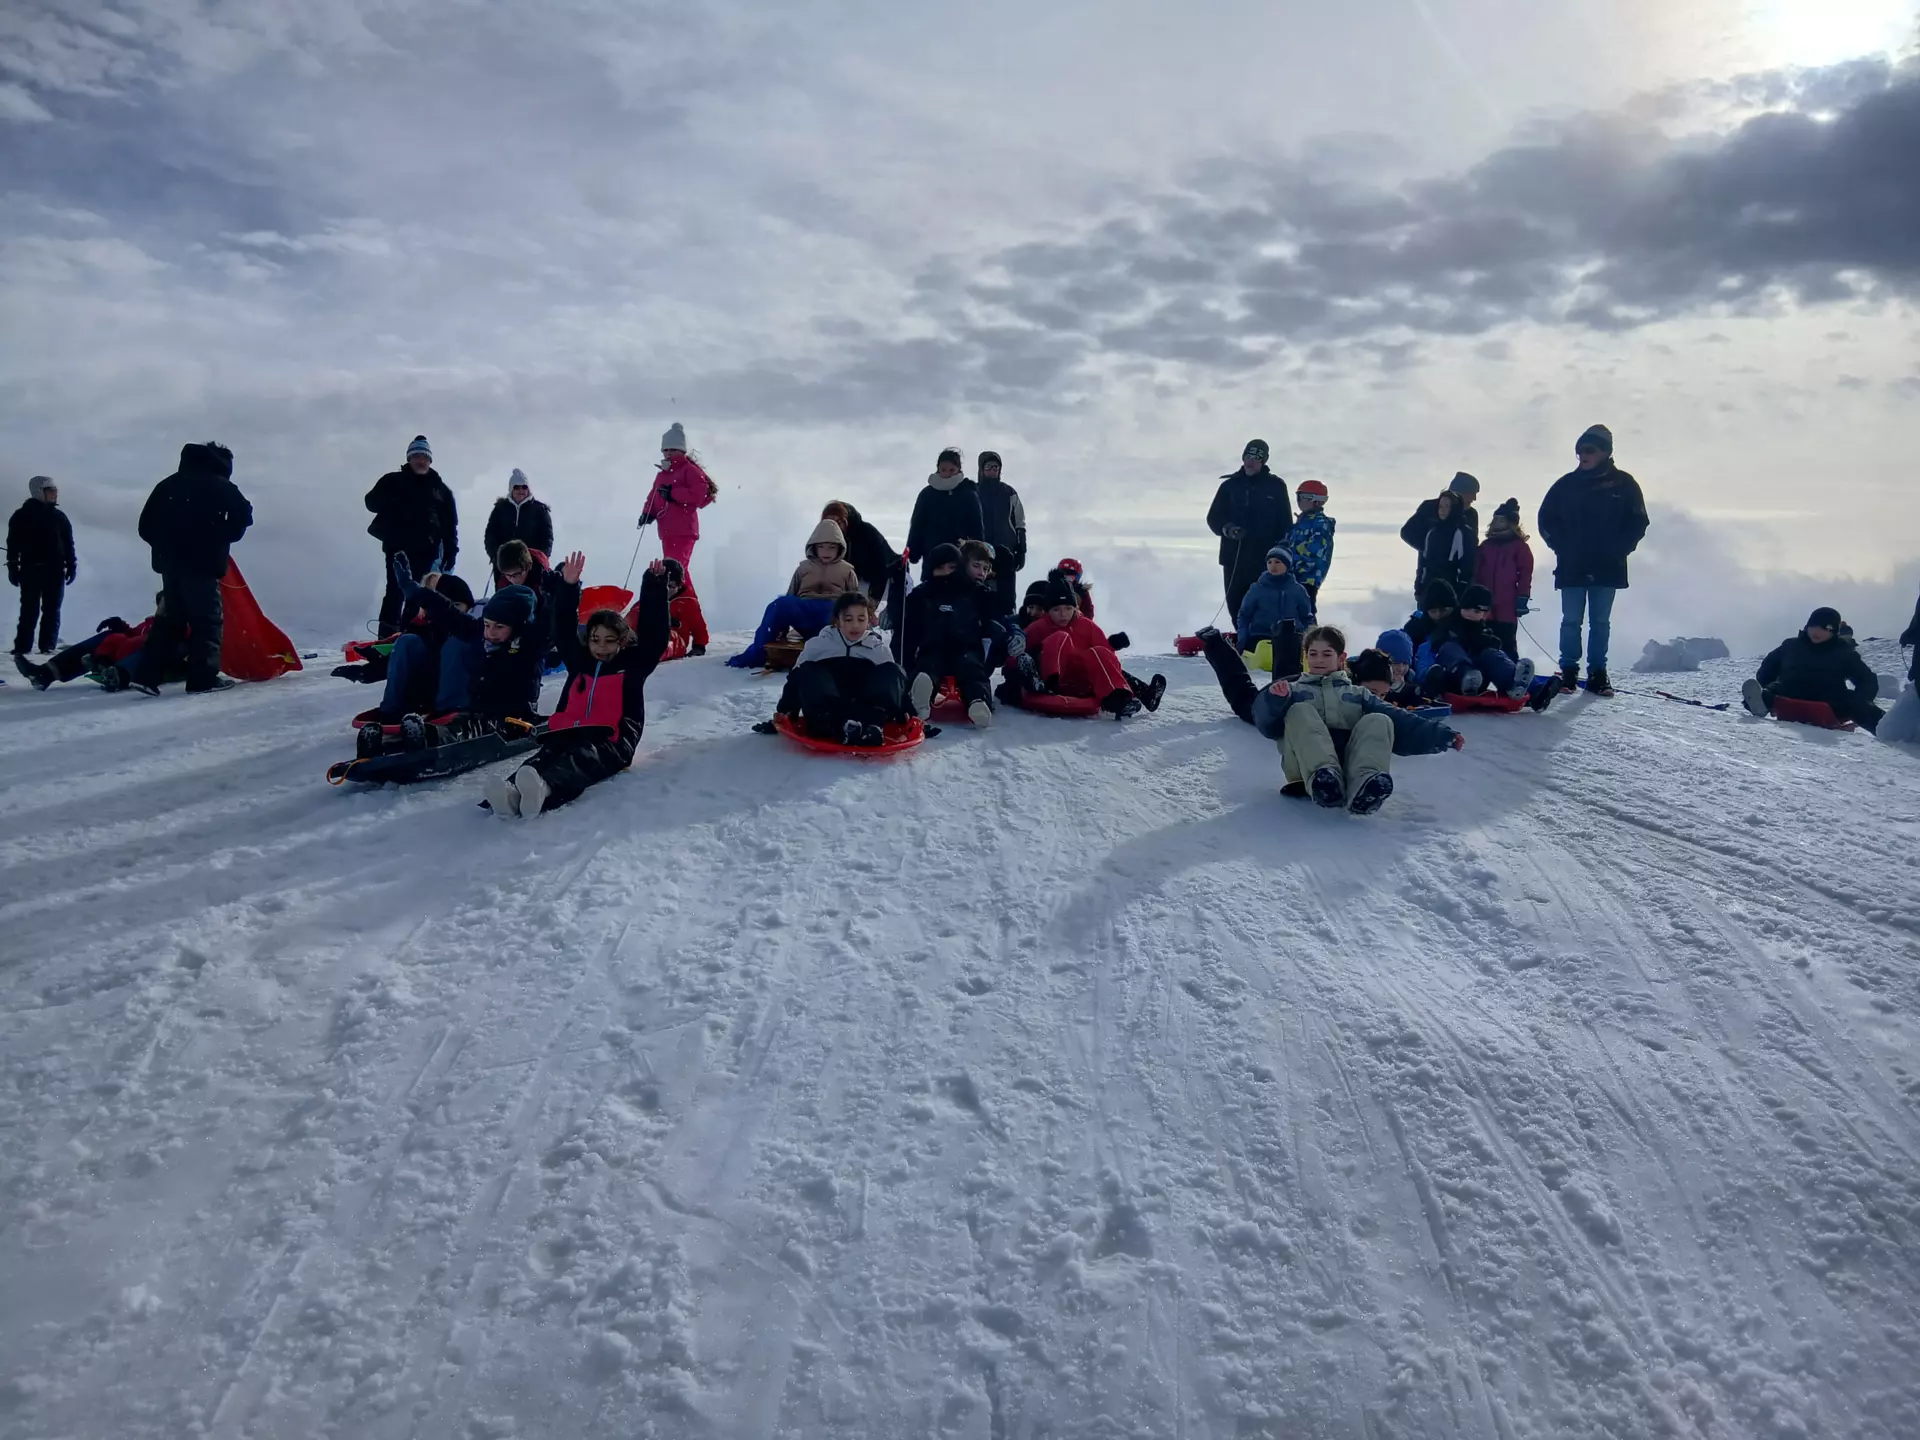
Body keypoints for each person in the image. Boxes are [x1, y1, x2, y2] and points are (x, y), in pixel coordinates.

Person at [488, 554, 671, 816]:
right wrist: (569, 586)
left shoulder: (633, 666)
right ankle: (509, 792)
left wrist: (654, 586)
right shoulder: (579, 662)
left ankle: (545, 788)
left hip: (612, 740)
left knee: (580, 758)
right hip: (571, 730)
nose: (601, 647)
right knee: (547, 755)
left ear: (622, 642)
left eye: (609, 640)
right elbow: (563, 627)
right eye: (596, 639)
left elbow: (655, 636)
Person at [1251, 625, 1464, 814]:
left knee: (1380, 719)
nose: (1318, 660)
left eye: (1326, 654)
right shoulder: (1292, 690)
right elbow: (1265, 723)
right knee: (1299, 711)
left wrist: (1442, 735)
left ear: (1341, 658)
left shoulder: (1357, 693)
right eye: (1313, 654)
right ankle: (1324, 779)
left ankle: (1365, 785)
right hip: (1304, 767)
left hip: (1349, 767)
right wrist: (1274, 701)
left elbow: (1400, 719)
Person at [130, 442, 253, 695]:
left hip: (169, 565)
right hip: (202, 564)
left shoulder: (167, 485)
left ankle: (145, 676)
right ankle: (202, 679)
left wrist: (166, 546)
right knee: (207, 620)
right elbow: (244, 514)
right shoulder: (220, 485)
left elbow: (145, 526)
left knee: (169, 621)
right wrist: (223, 535)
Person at [1538, 423, 1648, 698]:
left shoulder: (1625, 484)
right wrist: (1561, 547)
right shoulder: (1565, 485)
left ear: (1605, 452)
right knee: (1571, 620)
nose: (1583, 455)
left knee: (1600, 622)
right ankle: (1569, 671)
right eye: (1579, 451)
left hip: (1607, 566)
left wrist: (1621, 548)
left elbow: (1638, 521)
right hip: (1572, 565)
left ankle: (1598, 673)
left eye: (1589, 450)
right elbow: (1545, 520)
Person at [380, 554, 543, 729]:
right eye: (487, 625)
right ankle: (399, 718)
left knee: (459, 645)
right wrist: (413, 590)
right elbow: (448, 612)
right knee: (448, 639)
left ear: (518, 626)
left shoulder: (530, 642)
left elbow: (559, 629)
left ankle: (446, 719)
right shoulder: (480, 631)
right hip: (481, 708)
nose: (490, 633)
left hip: (511, 714)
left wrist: (566, 589)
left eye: (499, 627)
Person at [771, 590, 913, 747]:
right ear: (837, 620)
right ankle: (841, 727)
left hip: (866, 710)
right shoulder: (819, 645)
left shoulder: (877, 648)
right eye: (848, 619)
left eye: (861, 619)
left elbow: (895, 685)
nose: (855, 625)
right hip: (826, 715)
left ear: (869, 620)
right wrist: (785, 712)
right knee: (808, 669)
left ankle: (872, 729)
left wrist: (908, 715)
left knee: (892, 670)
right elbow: (796, 679)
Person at [727, 518, 862, 667]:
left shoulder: (847, 571)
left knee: (840, 608)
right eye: (821, 547)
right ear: (814, 548)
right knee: (781, 603)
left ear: (839, 548)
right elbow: (791, 595)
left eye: (831, 547)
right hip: (806, 611)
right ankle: (758, 654)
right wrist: (782, 627)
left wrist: (861, 627)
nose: (826, 552)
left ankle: (836, 651)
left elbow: (856, 601)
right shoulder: (803, 569)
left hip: (831, 617)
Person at [366, 436, 459, 633]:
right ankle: (386, 635)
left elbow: (450, 525)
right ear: (409, 459)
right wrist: (388, 495)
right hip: (397, 547)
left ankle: (410, 633)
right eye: (416, 456)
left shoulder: (441, 490)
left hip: (427, 550)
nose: (421, 460)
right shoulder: (392, 480)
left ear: (430, 461)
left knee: (418, 593)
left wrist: (451, 551)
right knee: (395, 590)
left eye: (425, 457)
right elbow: (370, 503)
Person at [902, 542, 1001, 727]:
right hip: (933, 647)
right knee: (927, 667)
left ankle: (978, 702)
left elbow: (992, 619)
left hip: (966, 647)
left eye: (952, 567)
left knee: (973, 670)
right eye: (941, 568)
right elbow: (909, 628)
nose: (947, 572)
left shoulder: (975, 592)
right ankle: (920, 700)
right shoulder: (923, 594)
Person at [1743, 607, 1883, 732]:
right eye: (1815, 626)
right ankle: (1760, 705)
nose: (1818, 632)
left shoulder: (1843, 652)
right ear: (1808, 626)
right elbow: (1768, 668)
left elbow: (1866, 679)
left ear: (1833, 633)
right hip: (1791, 692)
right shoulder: (1791, 646)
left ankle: (1888, 728)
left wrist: (1863, 699)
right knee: (1768, 693)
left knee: (1854, 702)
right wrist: (1767, 685)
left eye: (1826, 629)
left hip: (1829, 700)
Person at [371, 572, 484, 719]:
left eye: (457, 605)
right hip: (433, 684)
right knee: (407, 641)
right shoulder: (430, 623)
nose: (454, 610)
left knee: (456, 642)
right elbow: (401, 657)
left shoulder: (481, 620)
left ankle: (450, 709)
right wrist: (368, 670)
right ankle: (393, 708)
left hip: (468, 686)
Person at [1024, 578, 1139, 718]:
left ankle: (1118, 699)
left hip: (1083, 684)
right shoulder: (1038, 628)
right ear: (1048, 611)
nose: (1063, 614)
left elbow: (1106, 655)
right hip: (1052, 683)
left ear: (1075, 608)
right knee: (1060, 638)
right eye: (1056, 609)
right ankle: (1051, 686)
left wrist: (1113, 644)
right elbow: (1016, 657)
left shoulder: (1087, 626)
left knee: (1098, 652)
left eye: (1068, 608)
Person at [1207, 439, 1293, 617]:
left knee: (1265, 607)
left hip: (1266, 561)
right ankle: (1242, 641)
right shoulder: (1229, 486)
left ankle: (1261, 641)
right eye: (1248, 456)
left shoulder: (1276, 486)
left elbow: (1285, 524)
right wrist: (1228, 529)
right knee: (1236, 607)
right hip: (1234, 560)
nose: (1251, 461)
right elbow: (1213, 518)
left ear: (1264, 461)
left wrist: (1281, 554)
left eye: (1256, 457)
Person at [1426, 585, 1536, 698]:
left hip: (1479, 681)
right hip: (1453, 678)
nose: (1471, 614)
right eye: (1468, 609)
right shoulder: (1448, 625)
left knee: (1491, 654)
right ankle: (1467, 676)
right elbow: (1436, 643)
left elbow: (1495, 644)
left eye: (1477, 612)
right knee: (1450, 648)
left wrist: (1486, 644)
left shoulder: (1483, 631)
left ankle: (1512, 683)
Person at [9, 475, 75, 656]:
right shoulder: (21, 516)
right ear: (39, 492)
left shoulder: (59, 517)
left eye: (55, 491)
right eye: (50, 491)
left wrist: (71, 564)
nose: (54, 495)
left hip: (55, 571)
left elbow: (68, 543)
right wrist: (13, 567)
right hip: (31, 570)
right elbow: (13, 544)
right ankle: (22, 648)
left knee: (52, 611)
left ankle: (47, 647)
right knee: (29, 611)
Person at [639, 422, 717, 574]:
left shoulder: (690, 471)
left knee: (675, 571)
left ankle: (682, 597)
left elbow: (699, 495)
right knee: (675, 571)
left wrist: (673, 494)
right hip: (667, 530)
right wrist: (648, 513)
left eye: (672, 449)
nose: (668, 453)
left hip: (683, 529)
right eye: (665, 450)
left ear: (681, 450)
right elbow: (653, 495)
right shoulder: (663, 474)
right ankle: (681, 597)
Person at [1234, 546, 1316, 674]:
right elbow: (1244, 615)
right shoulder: (1257, 589)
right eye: (1269, 562)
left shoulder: (1297, 590)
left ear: (1287, 565)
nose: (1273, 566)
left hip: (1292, 638)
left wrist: (1312, 641)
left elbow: (1307, 618)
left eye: (1278, 562)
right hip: (1262, 637)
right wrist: (1243, 639)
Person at [906, 448, 985, 580]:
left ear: (958, 470)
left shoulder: (969, 494)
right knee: (930, 596)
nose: (947, 474)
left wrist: (979, 556)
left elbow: (977, 528)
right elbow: (917, 525)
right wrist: (913, 551)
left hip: (960, 558)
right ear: (938, 469)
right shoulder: (927, 494)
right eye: (943, 470)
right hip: (932, 557)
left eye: (951, 470)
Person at [1400, 473, 1480, 602]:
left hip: (1456, 578)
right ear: (1458, 492)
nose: (1474, 498)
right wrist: (1431, 548)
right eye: (1471, 493)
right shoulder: (1429, 508)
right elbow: (1407, 532)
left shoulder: (1471, 514)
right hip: (1428, 575)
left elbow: (1471, 546)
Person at [1473, 497, 1535, 659]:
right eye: (1496, 519)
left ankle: (1512, 672)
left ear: (1511, 523)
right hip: (1485, 604)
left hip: (1507, 603)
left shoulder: (1519, 547)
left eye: (1502, 519)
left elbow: (1525, 573)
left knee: (1507, 643)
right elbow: (1476, 571)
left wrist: (1523, 596)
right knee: (1484, 640)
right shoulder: (1486, 546)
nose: (1497, 522)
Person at [821, 501, 904, 607]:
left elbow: (881, 569)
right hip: (855, 581)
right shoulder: (826, 541)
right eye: (830, 523)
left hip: (888, 578)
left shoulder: (867, 533)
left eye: (838, 522)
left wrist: (873, 601)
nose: (835, 527)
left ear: (846, 520)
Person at [975, 451, 1028, 616]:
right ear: (981, 469)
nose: (993, 470)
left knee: (1005, 595)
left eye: (996, 467)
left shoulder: (1009, 492)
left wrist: (1022, 548)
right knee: (979, 592)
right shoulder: (973, 492)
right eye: (989, 467)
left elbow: (1019, 521)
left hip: (1005, 552)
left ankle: (1007, 621)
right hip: (979, 551)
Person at [484, 470, 554, 582]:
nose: (521, 490)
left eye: (524, 487)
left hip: (531, 566)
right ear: (511, 488)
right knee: (505, 596)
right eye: (517, 487)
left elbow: (547, 538)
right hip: (504, 566)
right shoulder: (500, 509)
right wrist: (496, 557)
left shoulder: (540, 510)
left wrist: (540, 559)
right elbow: (490, 535)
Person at [1285, 480, 1336, 602]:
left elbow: (1315, 550)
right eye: (1299, 497)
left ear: (1318, 500)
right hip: (1291, 577)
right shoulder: (1300, 523)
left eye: (1305, 497)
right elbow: (1286, 543)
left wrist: (1292, 563)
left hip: (1308, 577)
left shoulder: (1320, 524)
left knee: (1305, 607)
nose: (1300, 501)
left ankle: (1308, 621)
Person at [654, 558, 709, 659]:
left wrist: (699, 646)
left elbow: (699, 628)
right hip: (648, 635)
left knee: (666, 636)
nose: (666, 590)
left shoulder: (687, 603)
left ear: (679, 586)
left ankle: (651, 653)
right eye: (662, 586)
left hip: (675, 641)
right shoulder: (651, 597)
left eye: (671, 586)